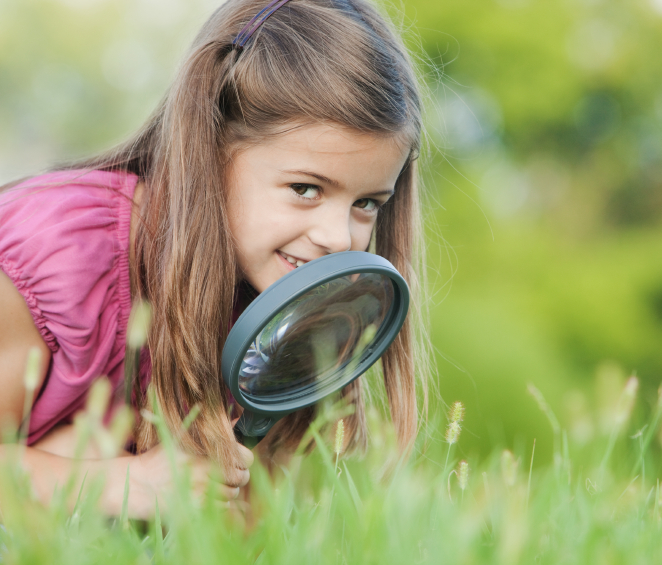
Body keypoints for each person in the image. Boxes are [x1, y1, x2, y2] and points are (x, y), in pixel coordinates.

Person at [0, 0, 430, 520]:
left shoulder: (283, 303)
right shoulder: (58, 250)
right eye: (305, 188)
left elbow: (254, 526)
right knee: (80, 446)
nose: (339, 238)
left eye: (366, 204)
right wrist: (120, 483)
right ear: (211, 147)